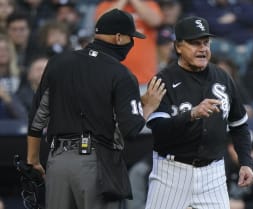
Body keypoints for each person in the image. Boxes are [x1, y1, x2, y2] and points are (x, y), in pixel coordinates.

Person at [26, 9, 166, 209]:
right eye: (130, 37)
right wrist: (149, 106)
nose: (132, 43)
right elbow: (131, 130)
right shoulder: (121, 74)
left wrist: (33, 159)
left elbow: (37, 115)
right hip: (96, 163)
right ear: (118, 38)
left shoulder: (58, 62)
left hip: (57, 162)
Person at [145, 16, 253, 209]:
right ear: (178, 47)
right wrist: (191, 114)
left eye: (206, 43)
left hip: (213, 174)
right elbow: (159, 130)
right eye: (195, 43)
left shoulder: (223, 77)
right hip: (171, 173)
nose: (202, 48)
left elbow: (239, 126)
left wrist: (245, 162)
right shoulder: (163, 80)